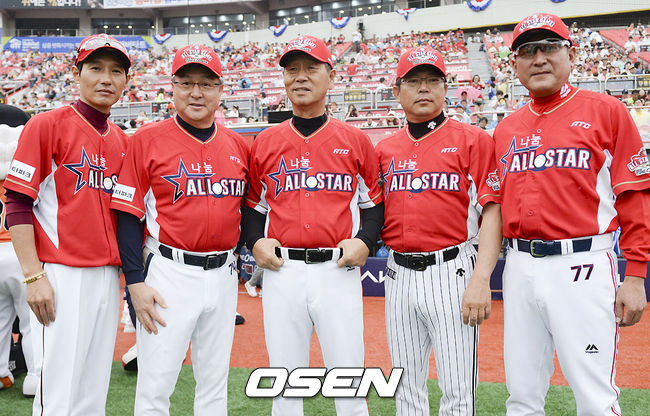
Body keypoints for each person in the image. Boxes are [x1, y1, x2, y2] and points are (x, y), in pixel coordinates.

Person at [494, 14, 649, 414]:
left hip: (583, 262)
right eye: (528, 51)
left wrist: (635, 276)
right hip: (520, 265)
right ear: (515, 65)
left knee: (595, 396)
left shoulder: (607, 110)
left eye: (549, 47)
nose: (539, 58)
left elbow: (634, 198)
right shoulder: (506, 128)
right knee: (522, 394)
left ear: (572, 54)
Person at [243, 35, 383, 416]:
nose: (300, 77)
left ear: (331, 76)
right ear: (284, 79)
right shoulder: (266, 141)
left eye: (311, 68)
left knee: (349, 380)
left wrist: (366, 241)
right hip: (282, 270)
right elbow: (253, 207)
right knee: (285, 383)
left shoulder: (355, 140)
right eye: (292, 69)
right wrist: (255, 241)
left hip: (337, 269)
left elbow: (374, 206)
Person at [111, 44, 248, 416]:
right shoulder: (146, 139)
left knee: (215, 383)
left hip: (223, 273)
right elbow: (127, 216)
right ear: (171, 87)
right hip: (168, 273)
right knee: (156, 384)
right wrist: (135, 282)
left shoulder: (238, 145)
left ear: (221, 89)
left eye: (206, 83)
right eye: (186, 82)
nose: (196, 92)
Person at [5, 34, 131, 415]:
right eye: (95, 68)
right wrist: (32, 276)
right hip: (61, 274)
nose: (106, 78)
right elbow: (17, 203)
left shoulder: (123, 140)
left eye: (116, 71)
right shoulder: (46, 125)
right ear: (77, 73)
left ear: (127, 81)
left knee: (93, 389)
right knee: (57, 391)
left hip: (107, 275)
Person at [376, 46, 502, 415]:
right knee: (405, 385)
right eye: (413, 81)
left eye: (433, 80)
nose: (423, 88)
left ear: (446, 88)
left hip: (453, 271)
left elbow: (492, 212)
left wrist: (482, 278)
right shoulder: (384, 149)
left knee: (458, 388)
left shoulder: (474, 140)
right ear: (397, 91)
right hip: (398, 273)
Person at [0, 105, 39, 397]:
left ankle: (1, 372)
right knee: (31, 320)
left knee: (0, 319)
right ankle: (36, 375)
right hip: (20, 251)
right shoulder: (25, 172)